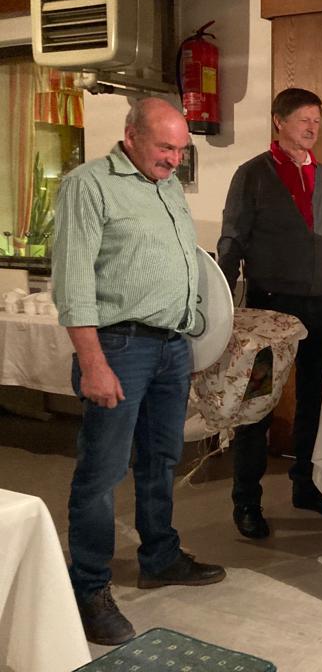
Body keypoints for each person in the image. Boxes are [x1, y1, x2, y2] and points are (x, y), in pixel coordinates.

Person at [52, 98, 226, 646]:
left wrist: (192, 335)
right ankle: (88, 588)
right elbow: (72, 282)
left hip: (171, 346)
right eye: (165, 147)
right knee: (103, 471)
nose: (174, 159)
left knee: (162, 459)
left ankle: (160, 556)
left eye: (181, 150)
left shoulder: (166, 186)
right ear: (130, 136)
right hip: (119, 346)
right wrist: (93, 362)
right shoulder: (89, 185)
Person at [218, 88, 322, 539]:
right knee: (256, 404)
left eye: (317, 121)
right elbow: (232, 239)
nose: (312, 128)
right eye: (303, 119)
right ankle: (246, 501)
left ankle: (307, 486)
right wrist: (223, 303)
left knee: (316, 400)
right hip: (267, 309)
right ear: (279, 121)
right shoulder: (253, 174)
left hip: (321, 308)